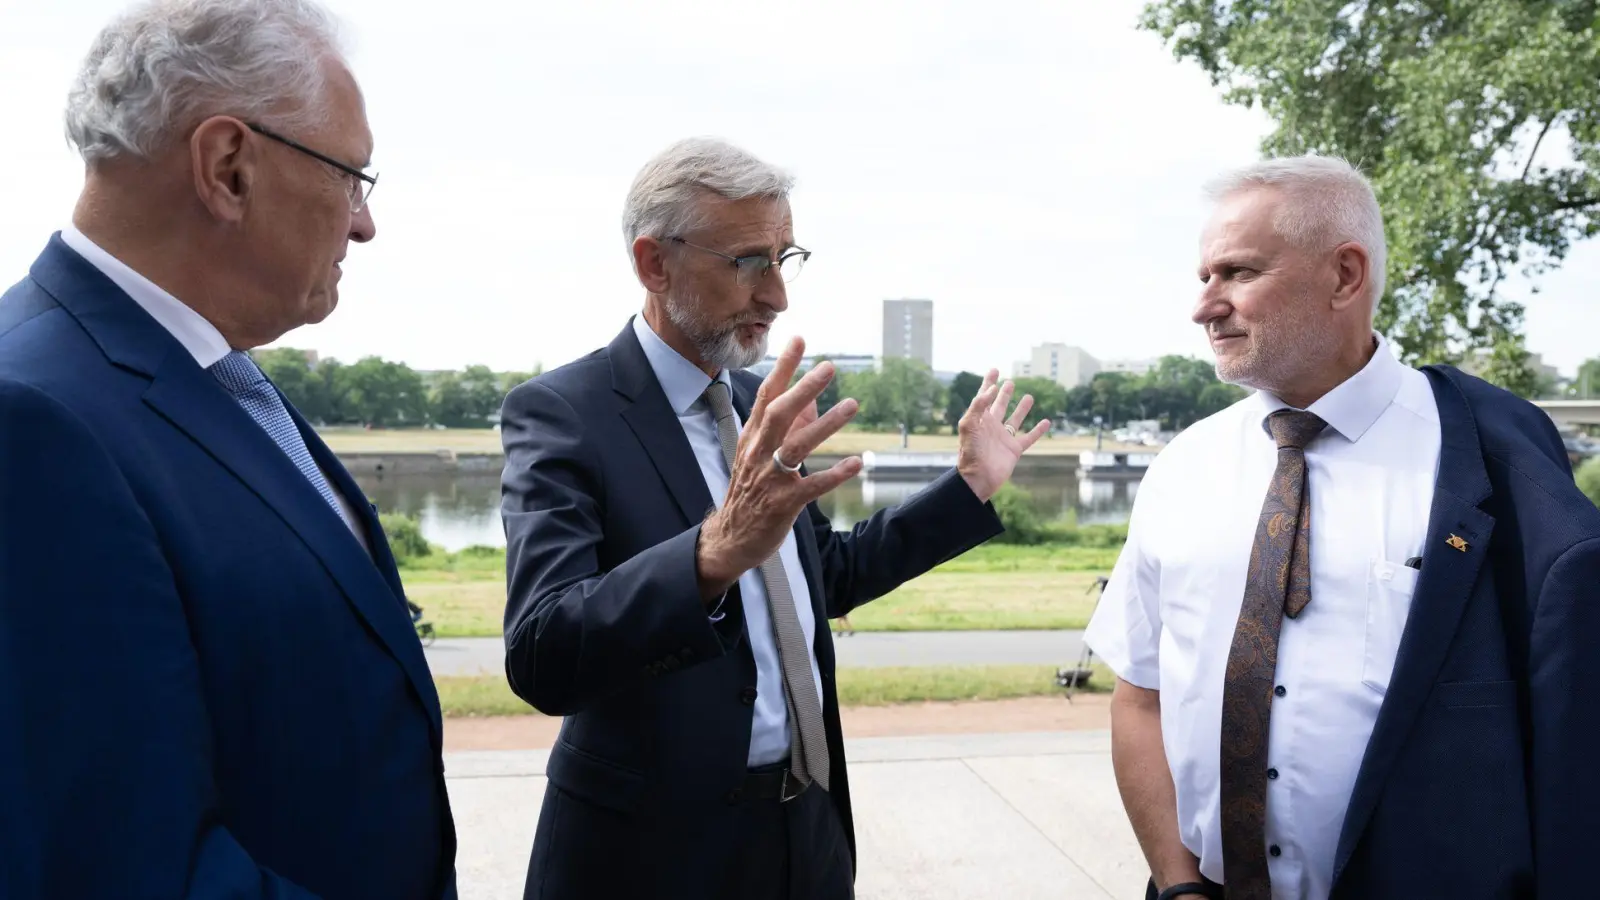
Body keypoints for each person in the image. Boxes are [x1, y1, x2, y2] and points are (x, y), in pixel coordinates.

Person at [498, 136, 1048, 900]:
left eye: (785, 259)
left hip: (806, 835)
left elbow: (822, 579)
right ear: (655, 263)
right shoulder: (563, 413)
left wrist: (967, 488)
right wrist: (711, 555)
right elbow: (542, 653)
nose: (778, 295)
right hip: (649, 857)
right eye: (749, 262)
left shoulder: (763, 402)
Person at [0, 1, 455, 897]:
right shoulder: (33, 421)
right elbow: (119, 866)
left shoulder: (203, 370)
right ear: (228, 167)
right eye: (351, 176)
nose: (363, 224)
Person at [1084, 154, 1600, 900]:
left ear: (1344, 276)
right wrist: (1179, 884)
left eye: (1238, 273)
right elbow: (1141, 692)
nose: (1205, 305)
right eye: (1204, 277)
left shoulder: (1489, 468)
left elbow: (1569, 741)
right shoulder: (1183, 468)